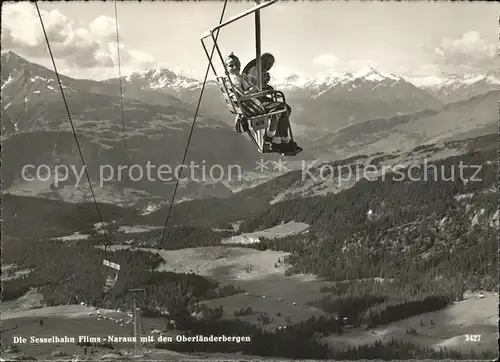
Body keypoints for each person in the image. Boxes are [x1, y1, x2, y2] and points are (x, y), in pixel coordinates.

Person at [225, 53, 301, 154]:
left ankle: (279, 139)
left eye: (236, 64)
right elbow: (243, 94)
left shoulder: (242, 77)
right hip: (252, 104)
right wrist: (253, 90)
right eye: (231, 65)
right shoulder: (235, 80)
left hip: (252, 102)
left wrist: (254, 89)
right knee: (282, 109)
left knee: (283, 109)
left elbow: (253, 88)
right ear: (226, 69)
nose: (235, 67)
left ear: (240, 64)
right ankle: (274, 139)